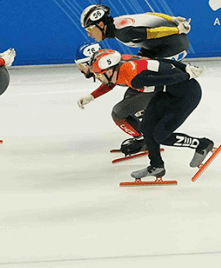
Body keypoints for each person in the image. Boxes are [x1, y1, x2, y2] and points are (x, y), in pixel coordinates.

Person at [78, 4, 192, 153]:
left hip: (173, 46)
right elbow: (149, 14)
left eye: (89, 29)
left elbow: (152, 33)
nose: (89, 34)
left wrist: (177, 29)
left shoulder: (122, 33)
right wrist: (172, 19)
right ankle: (149, 121)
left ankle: (154, 129)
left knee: (146, 83)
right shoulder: (118, 24)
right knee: (135, 85)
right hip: (161, 46)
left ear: (100, 24)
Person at [86, 48, 213, 180]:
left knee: (161, 136)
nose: (98, 78)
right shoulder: (124, 66)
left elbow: (169, 80)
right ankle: (157, 166)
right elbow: (159, 62)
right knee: (146, 128)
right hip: (167, 91)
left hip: (187, 94)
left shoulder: (135, 78)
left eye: (99, 75)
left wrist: (187, 74)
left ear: (110, 70)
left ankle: (202, 144)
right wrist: (186, 68)